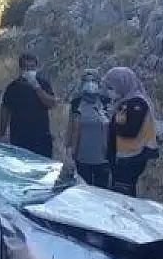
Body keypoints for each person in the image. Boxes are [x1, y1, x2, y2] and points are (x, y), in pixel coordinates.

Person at [102, 67, 158, 197]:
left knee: (124, 195)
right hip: (123, 156)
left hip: (132, 158)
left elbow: (131, 130)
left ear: (122, 84)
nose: (112, 90)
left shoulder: (137, 103)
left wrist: (110, 126)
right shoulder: (125, 101)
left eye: (113, 86)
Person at [0, 53, 56, 158]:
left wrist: (37, 87)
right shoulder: (13, 88)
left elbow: (51, 104)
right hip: (19, 139)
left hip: (41, 138)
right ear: (21, 69)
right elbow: (5, 110)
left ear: (36, 68)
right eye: (26, 68)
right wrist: (2, 134)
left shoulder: (43, 84)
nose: (29, 71)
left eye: (32, 67)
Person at [64, 69, 113, 187]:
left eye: (93, 80)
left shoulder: (106, 102)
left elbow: (112, 127)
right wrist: (67, 151)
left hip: (102, 158)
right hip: (82, 156)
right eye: (86, 80)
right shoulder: (76, 103)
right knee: (83, 191)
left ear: (98, 83)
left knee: (101, 191)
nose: (90, 83)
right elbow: (70, 128)